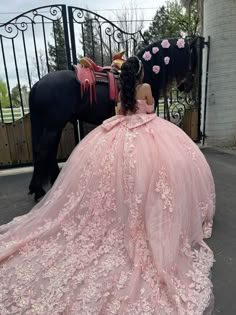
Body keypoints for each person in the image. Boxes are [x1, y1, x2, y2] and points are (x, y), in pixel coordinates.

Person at [0, 56, 215, 314]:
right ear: (140, 74)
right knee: (158, 169)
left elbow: (120, 113)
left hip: (122, 130)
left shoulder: (121, 93)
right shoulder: (145, 89)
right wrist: (146, 109)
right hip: (147, 130)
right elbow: (150, 109)